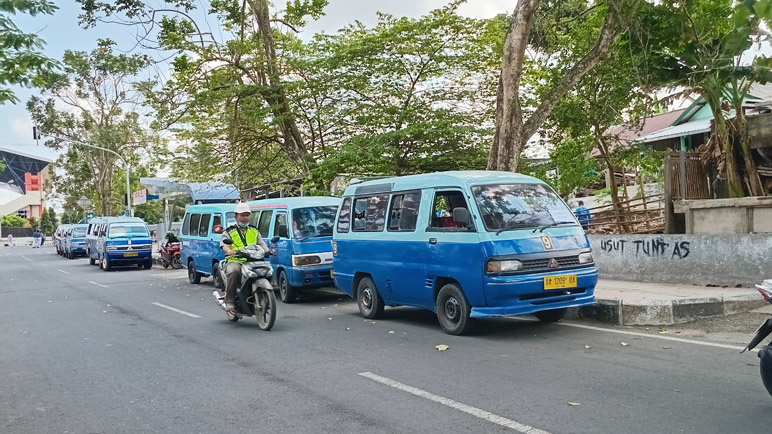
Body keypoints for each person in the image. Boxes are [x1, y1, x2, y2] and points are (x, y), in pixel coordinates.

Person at [220, 202, 270, 316]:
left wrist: (267, 250)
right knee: (234, 271)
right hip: (235, 260)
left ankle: (264, 294)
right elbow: (224, 245)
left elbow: (262, 244)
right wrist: (229, 251)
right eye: (242, 215)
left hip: (253, 260)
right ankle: (230, 300)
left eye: (247, 215)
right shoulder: (229, 231)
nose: (245, 218)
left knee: (267, 270)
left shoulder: (254, 230)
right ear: (236, 216)